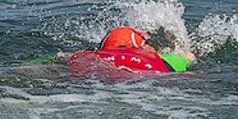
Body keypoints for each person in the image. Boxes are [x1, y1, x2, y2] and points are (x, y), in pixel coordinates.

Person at [65, 26, 195, 75]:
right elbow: (190, 57)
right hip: (149, 78)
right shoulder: (163, 59)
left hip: (94, 77)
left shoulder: (83, 55)